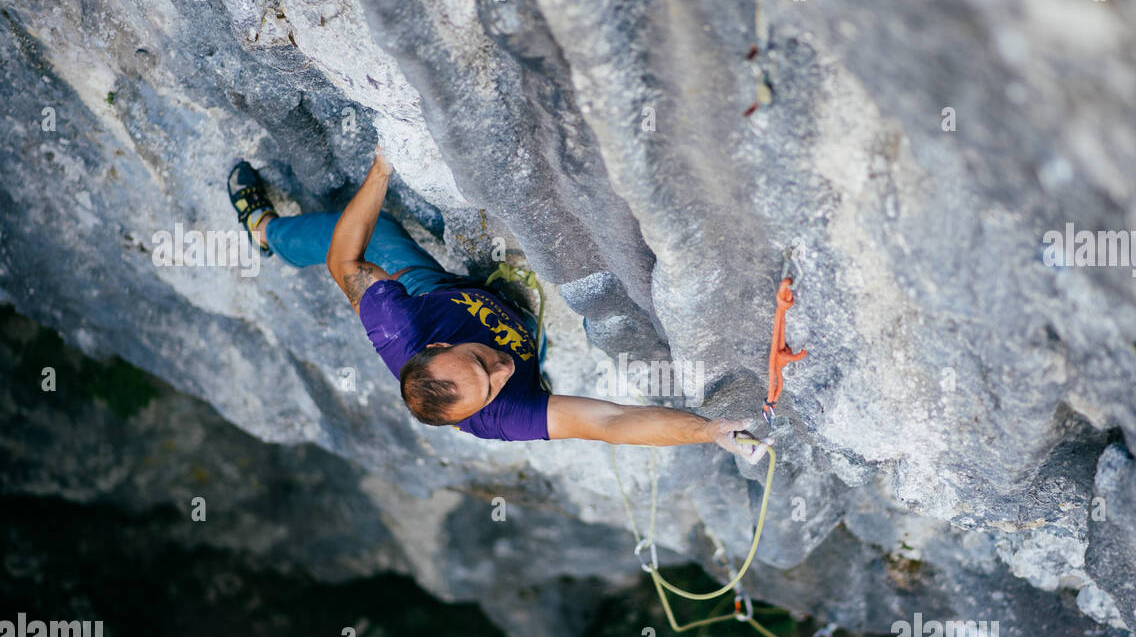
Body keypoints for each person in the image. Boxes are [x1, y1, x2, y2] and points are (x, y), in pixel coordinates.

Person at [228, 149, 769, 455]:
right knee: (524, 354)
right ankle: (266, 230)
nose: (503, 369)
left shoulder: (397, 327)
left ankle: (268, 232)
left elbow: (344, 262)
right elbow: (609, 422)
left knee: (381, 230)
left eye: (480, 361)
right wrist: (706, 431)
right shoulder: (506, 415)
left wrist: (382, 170)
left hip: (432, 290)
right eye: (490, 386)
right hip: (500, 319)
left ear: (435, 346)